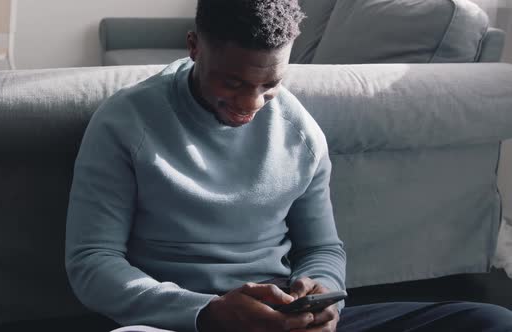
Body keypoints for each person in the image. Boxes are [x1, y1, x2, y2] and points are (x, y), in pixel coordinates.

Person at [65, 0, 512, 331]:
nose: (250, 104)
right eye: (233, 82)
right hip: (181, 322)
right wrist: (207, 311)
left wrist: (321, 294)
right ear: (194, 47)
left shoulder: (301, 132)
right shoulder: (125, 122)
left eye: (270, 83)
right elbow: (92, 263)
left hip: (283, 322)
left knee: (488, 321)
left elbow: (322, 247)